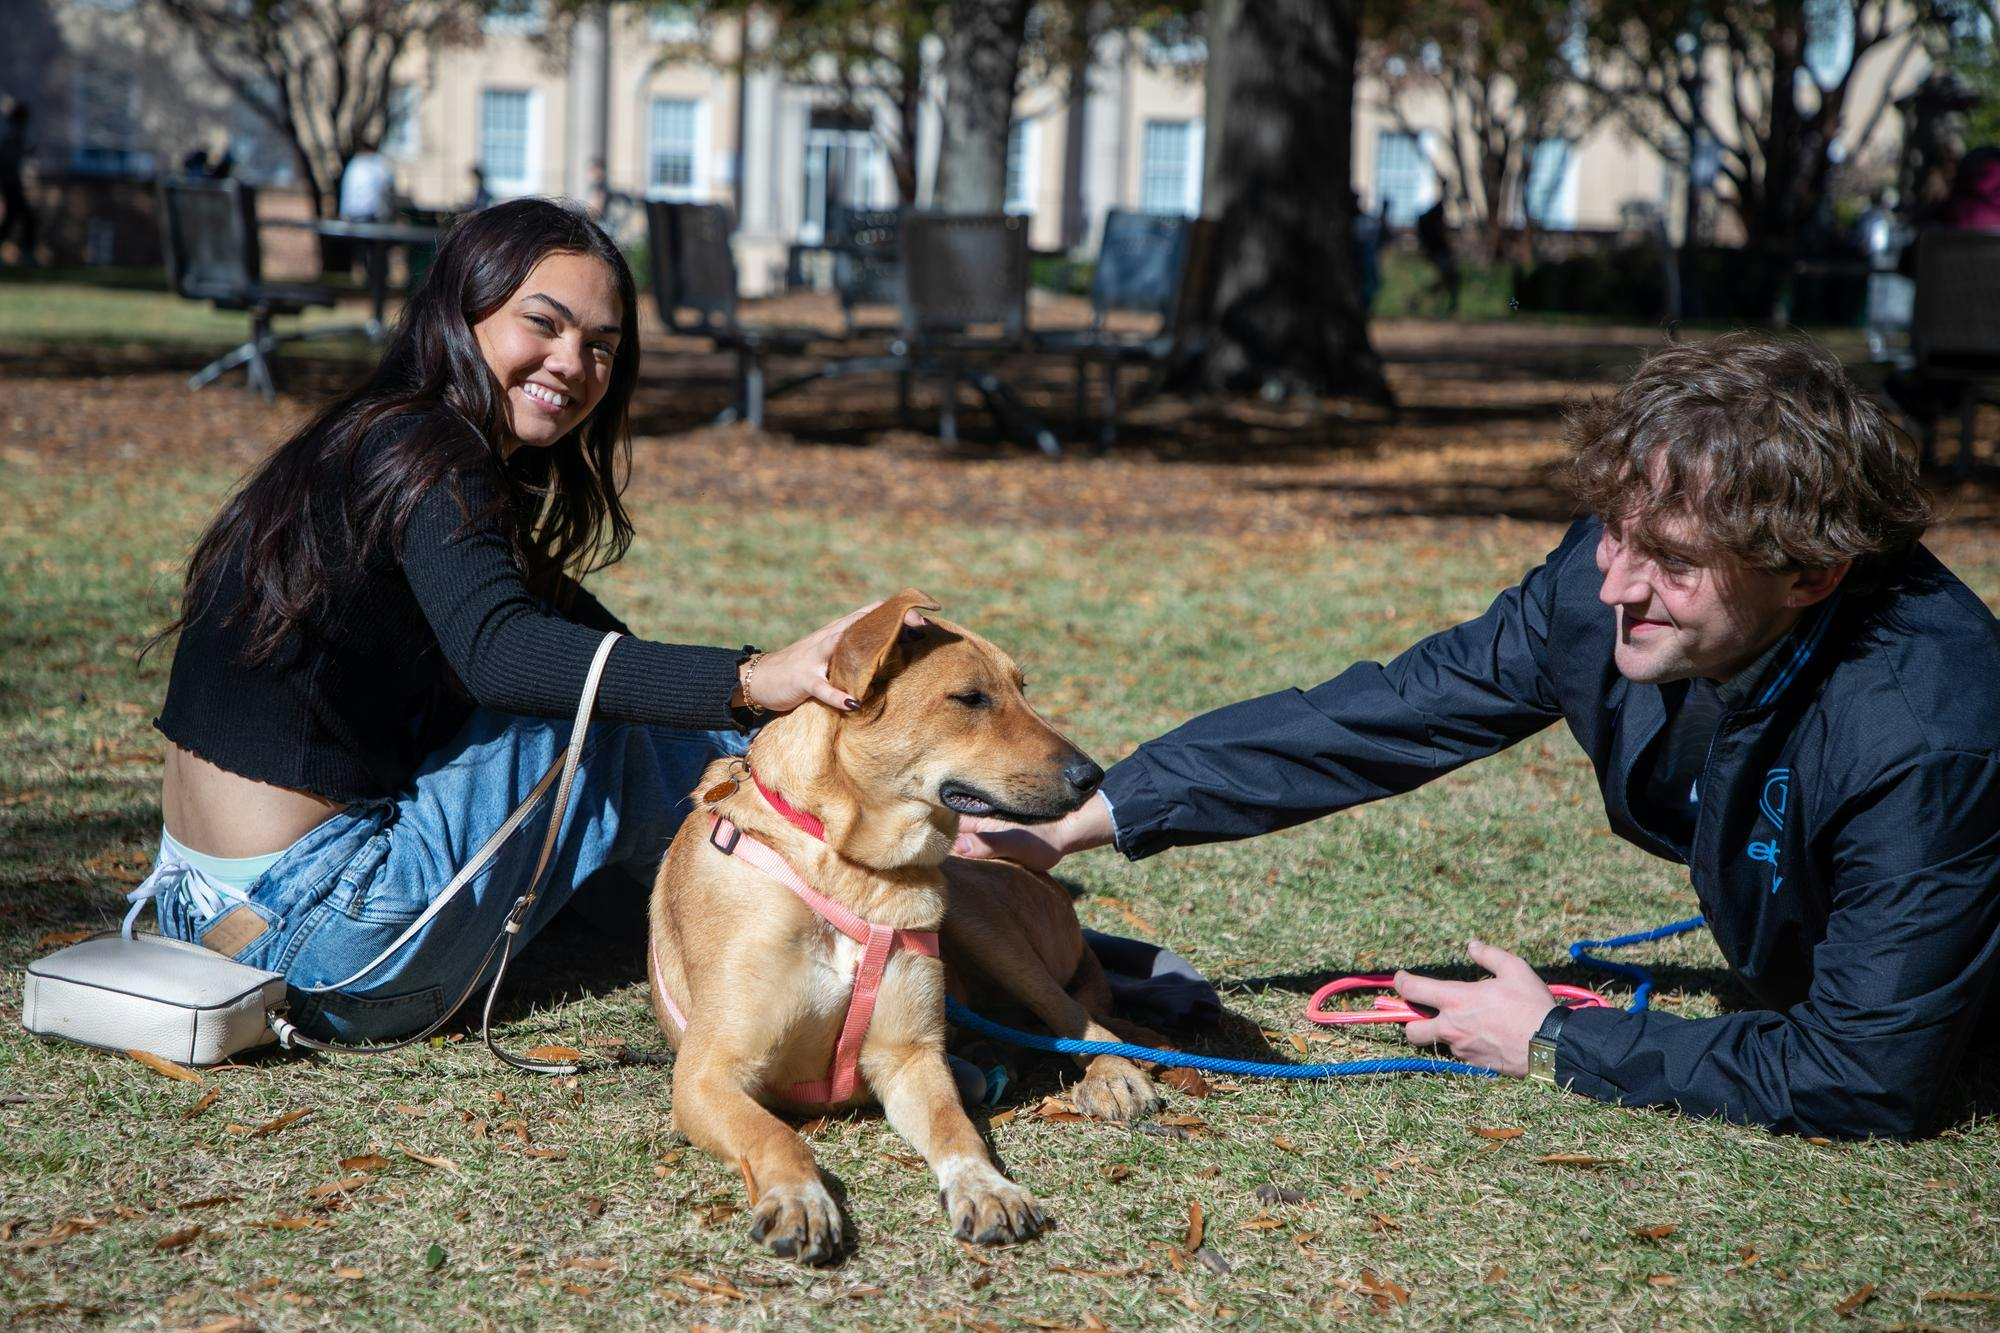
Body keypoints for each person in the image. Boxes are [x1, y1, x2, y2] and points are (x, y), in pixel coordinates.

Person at [956, 333, 2000, 1142]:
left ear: (1810, 574)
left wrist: (1555, 1037)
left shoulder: (1925, 734)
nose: (1613, 584)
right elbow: (1384, 713)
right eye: (1612, 529)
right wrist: (1080, 821)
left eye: (1671, 561)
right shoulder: (1609, 587)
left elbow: (1864, 1075)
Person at [133, 198, 916, 1042]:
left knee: (616, 695)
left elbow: (583, 638)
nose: (572, 362)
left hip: (193, 913)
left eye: (602, 347)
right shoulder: (431, 458)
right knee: (591, 715)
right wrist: (754, 680)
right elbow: (510, 656)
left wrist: (767, 718)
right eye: (542, 323)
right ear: (460, 312)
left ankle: (843, 850)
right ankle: (854, 874)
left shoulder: (372, 441)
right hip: (328, 941)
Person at [0, 101, 36, 265]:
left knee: (13, 218)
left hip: (13, 184)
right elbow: (8, 162)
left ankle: (28, 251)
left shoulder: (17, 135)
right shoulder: (13, 137)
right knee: (26, 217)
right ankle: (28, 252)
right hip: (12, 185)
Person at [1414, 196, 1458, 315]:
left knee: (1447, 278)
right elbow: (1441, 233)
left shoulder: (1430, 217)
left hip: (1437, 252)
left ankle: (1447, 305)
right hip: (1438, 252)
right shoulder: (1434, 217)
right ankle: (1419, 301)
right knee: (1446, 278)